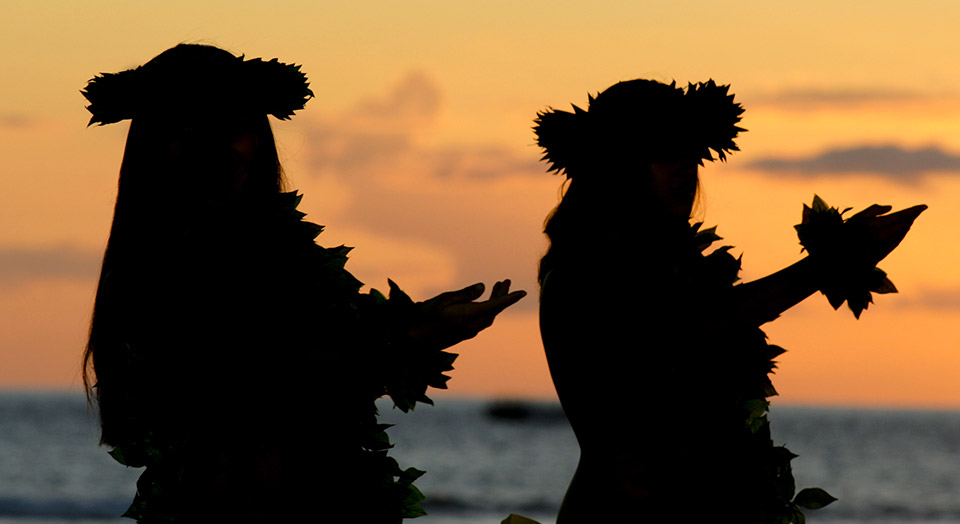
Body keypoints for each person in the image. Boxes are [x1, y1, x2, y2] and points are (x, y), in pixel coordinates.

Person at [81, 43, 525, 523]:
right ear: (152, 146)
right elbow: (261, 382)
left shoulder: (279, 259)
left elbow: (317, 365)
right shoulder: (162, 270)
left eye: (234, 126)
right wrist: (409, 336)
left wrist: (414, 324)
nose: (217, 149)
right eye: (189, 129)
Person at [534, 79, 924, 523]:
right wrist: (831, 263)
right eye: (664, 152)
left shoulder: (670, 273)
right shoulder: (584, 269)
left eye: (691, 153)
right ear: (616, 168)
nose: (685, 167)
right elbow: (694, 326)